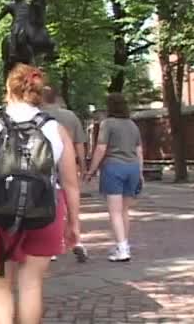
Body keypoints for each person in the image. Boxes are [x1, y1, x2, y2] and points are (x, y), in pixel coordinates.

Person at [0, 64, 80, 324]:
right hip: (45, 211)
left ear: (8, 87)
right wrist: (74, 222)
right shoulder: (55, 128)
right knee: (31, 285)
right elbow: (71, 183)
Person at [86, 93, 143, 262]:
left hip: (114, 168)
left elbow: (101, 148)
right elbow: (139, 150)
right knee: (125, 211)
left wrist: (91, 170)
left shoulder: (107, 124)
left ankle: (122, 249)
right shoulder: (133, 125)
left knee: (115, 212)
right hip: (132, 168)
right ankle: (123, 243)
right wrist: (140, 172)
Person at [42, 86, 88, 262]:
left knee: (48, 204)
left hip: (45, 165)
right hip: (68, 164)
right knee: (71, 202)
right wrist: (83, 166)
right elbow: (79, 144)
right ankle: (77, 239)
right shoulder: (70, 116)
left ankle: (51, 244)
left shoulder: (36, 116)